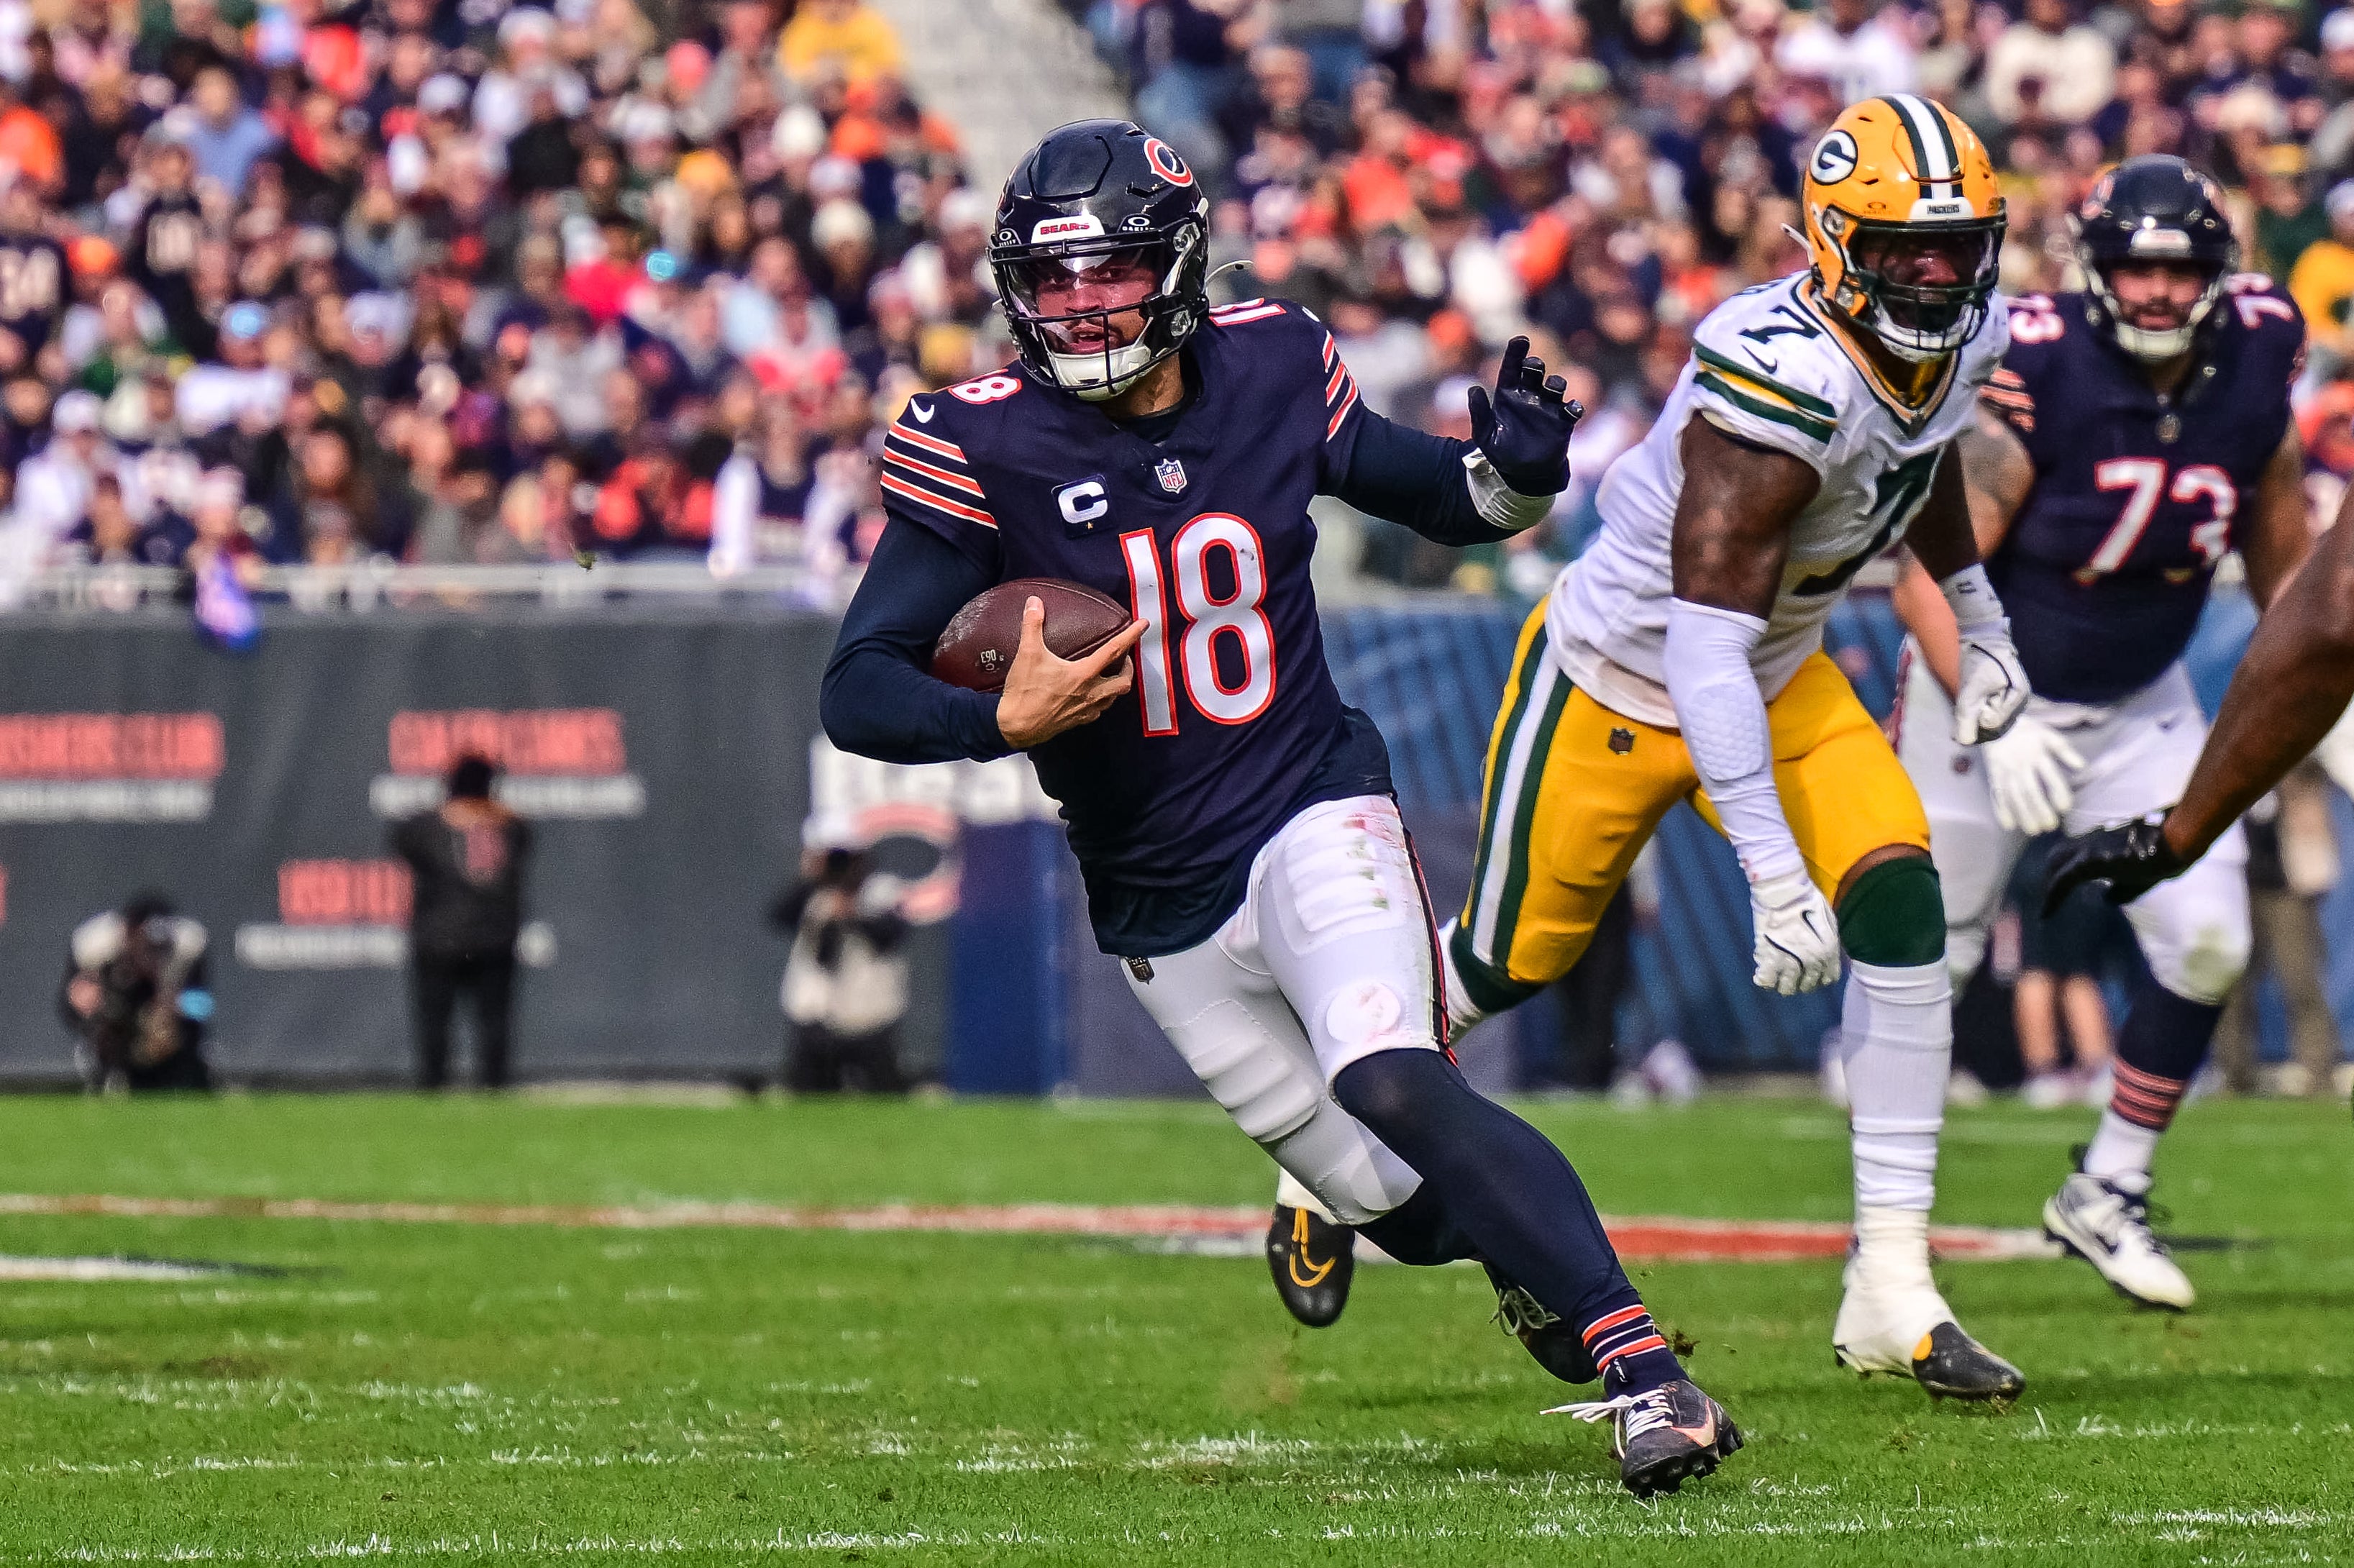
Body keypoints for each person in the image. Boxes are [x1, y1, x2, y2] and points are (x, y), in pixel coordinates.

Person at [821, 119, 1741, 1496]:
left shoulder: (1266, 362)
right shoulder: (980, 442)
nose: (1078, 307)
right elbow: (858, 686)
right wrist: (987, 721)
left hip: (1308, 800)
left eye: (1110, 272)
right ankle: (1503, 1256)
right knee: (1406, 1214)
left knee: (1390, 1074)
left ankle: (1650, 1376)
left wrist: (1517, 472)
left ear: (1180, 267)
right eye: (1052, 281)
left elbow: (1447, 500)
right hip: (1153, 895)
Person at [1426, 96, 2033, 1403]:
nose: (1934, 276)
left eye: (1953, 247)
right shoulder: (1777, 376)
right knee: (1498, 962)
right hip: (1624, 677)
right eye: (1900, 248)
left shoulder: (1964, 336)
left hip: (1777, 667)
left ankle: (1892, 1282)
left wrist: (1978, 623)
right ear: (1829, 241)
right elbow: (1699, 646)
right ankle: (1324, 1141)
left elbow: (1915, 468)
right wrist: (1766, 870)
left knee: (1900, 891)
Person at [1889, 158, 2310, 1313]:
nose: (2161, 291)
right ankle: (1890, 1242)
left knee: (2211, 941)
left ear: (2217, 274)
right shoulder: (2038, 361)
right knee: (1931, 960)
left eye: (2182, 269)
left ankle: (2107, 1186)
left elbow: (2278, 515)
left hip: (2142, 698)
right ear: (2095, 268)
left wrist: (2310, 680)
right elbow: (1928, 565)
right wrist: (1996, 700)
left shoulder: (2260, 350)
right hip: (1982, 694)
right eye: (2138, 267)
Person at [389, 752, 532, 1090]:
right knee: (494, 1022)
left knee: (435, 1022)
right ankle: (494, 1088)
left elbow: (404, 843)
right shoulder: (511, 825)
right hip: (494, 938)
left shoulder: (427, 825)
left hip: (440, 939)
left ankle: (433, 1088)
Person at [770, 826, 911, 1093]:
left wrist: (851, 913)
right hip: (816, 1014)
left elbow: (890, 936)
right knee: (811, 1103)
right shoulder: (811, 893)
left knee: (886, 1100)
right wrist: (812, 877)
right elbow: (779, 917)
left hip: (870, 1014)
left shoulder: (882, 890)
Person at [58, 891, 214, 1093]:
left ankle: (172, 1078)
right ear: (129, 934)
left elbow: (204, 1005)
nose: (152, 954)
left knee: (161, 1027)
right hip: (113, 1009)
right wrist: (87, 1003)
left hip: (163, 1011)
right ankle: (109, 1079)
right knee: (104, 1016)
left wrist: (177, 1004)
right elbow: (69, 1002)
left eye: (159, 947)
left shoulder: (188, 947)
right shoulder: (96, 946)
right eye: (146, 945)